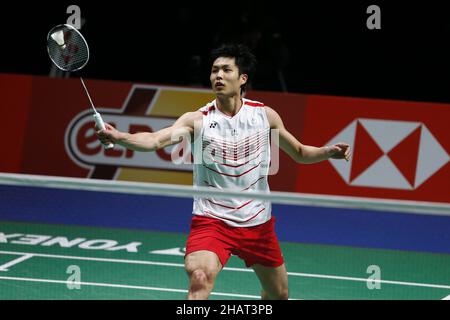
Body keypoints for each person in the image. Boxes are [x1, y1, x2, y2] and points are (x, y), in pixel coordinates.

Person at [96, 44, 351, 300]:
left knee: (279, 294)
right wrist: (119, 137)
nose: (218, 75)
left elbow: (299, 153)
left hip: (257, 222)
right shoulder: (197, 120)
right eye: (214, 70)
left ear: (242, 78)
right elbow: (155, 141)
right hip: (212, 220)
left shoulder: (265, 116)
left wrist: (328, 152)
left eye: (226, 70)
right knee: (200, 277)